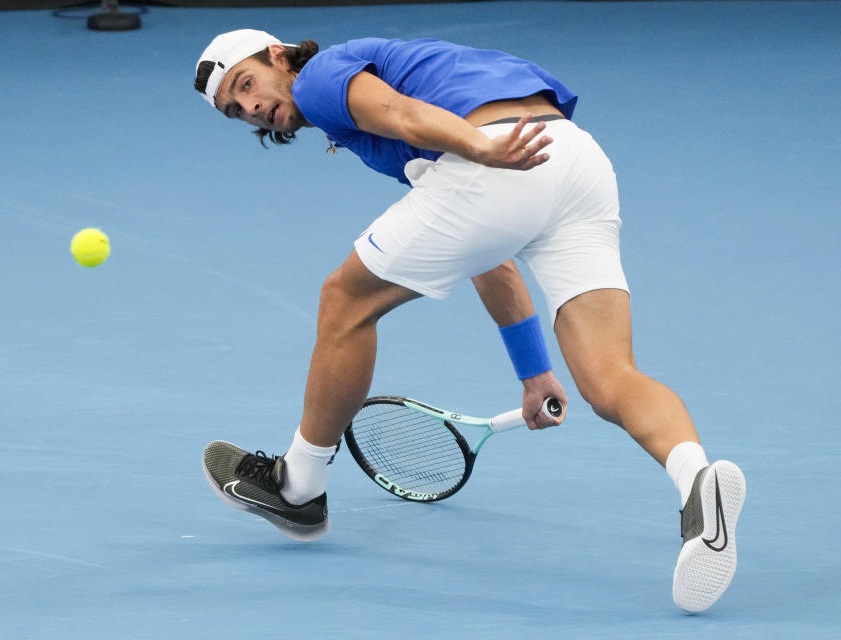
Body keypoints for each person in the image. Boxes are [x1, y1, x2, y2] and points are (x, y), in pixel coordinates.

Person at [193, 29, 745, 613]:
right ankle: (697, 485)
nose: (252, 108)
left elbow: (406, 116)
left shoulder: (324, 76)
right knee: (610, 379)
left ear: (279, 56)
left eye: (247, 84)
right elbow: (490, 251)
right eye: (236, 110)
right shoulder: (361, 105)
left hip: (498, 150)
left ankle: (298, 487)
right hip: (575, 159)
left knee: (344, 302)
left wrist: (481, 150)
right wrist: (534, 372)